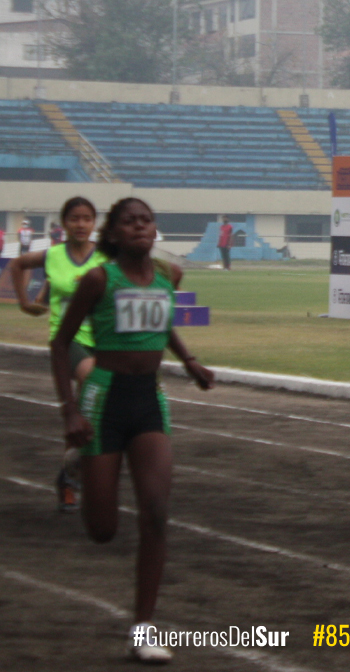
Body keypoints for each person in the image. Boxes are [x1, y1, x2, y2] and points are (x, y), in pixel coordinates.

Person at [51, 197, 213, 664]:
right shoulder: (99, 280)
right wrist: (69, 413)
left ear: (154, 229)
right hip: (103, 399)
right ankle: (79, 462)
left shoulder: (168, 276)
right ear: (115, 234)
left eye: (146, 220)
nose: (140, 226)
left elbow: (161, 325)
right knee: (103, 530)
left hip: (148, 400)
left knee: (157, 513)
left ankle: (142, 627)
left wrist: (189, 360)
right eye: (130, 221)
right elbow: (61, 345)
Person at [11, 197, 108, 512]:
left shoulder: (105, 257)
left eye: (87, 219)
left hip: (101, 340)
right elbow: (18, 263)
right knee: (94, 380)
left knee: (82, 411)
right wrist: (25, 302)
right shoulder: (53, 255)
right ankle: (80, 469)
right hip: (66, 340)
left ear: (94, 223)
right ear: (64, 223)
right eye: (75, 218)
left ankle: (69, 476)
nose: (81, 224)